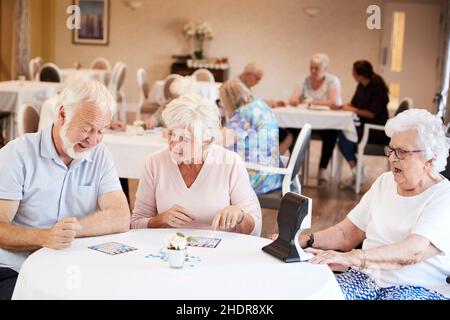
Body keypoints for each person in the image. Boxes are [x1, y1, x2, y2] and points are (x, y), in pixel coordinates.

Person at [298, 109, 450, 300]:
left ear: (430, 158)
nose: (393, 158)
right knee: (314, 294)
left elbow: (413, 251)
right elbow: (347, 233)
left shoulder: (444, 196)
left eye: (402, 152)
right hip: (366, 278)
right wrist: (305, 240)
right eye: (391, 150)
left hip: (419, 287)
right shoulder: (385, 182)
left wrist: (356, 257)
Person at [0, 78, 130, 300]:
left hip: (71, 265)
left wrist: (73, 229)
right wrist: (45, 237)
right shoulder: (17, 154)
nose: (94, 140)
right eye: (87, 129)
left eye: (101, 130)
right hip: (16, 269)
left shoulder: (100, 155)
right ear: (62, 115)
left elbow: (121, 216)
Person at [131, 93, 262, 236]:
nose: (174, 143)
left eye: (185, 138)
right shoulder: (154, 163)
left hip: (220, 250)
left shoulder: (230, 163)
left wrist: (239, 216)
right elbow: (136, 223)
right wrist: (160, 220)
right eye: (171, 134)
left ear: (207, 139)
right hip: (169, 251)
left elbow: (254, 227)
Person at [283, 53, 342, 184]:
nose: (313, 71)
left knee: (332, 133)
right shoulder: (304, 80)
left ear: (325, 69)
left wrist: (310, 101)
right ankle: (296, 166)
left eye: (317, 68)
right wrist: (295, 99)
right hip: (305, 121)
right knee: (292, 129)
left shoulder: (332, 81)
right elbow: (293, 99)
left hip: (326, 123)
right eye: (311, 68)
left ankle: (323, 169)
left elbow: (333, 102)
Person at [332, 60, 390, 187]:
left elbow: (371, 114)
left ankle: (357, 172)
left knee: (344, 136)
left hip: (377, 130)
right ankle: (357, 171)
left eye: (353, 72)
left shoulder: (378, 90)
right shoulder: (361, 85)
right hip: (363, 127)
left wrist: (351, 109)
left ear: (360, 74)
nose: (352, 74)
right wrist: (341, 106)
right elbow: (353, 104)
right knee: (341, 134)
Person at [220, 79, 282, 195]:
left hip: (256, 179)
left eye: (222, 100)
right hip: (271, 176)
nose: (221, 105)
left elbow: (218, 141)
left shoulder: (244, 114)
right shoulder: (259, 104)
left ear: (230, 100)